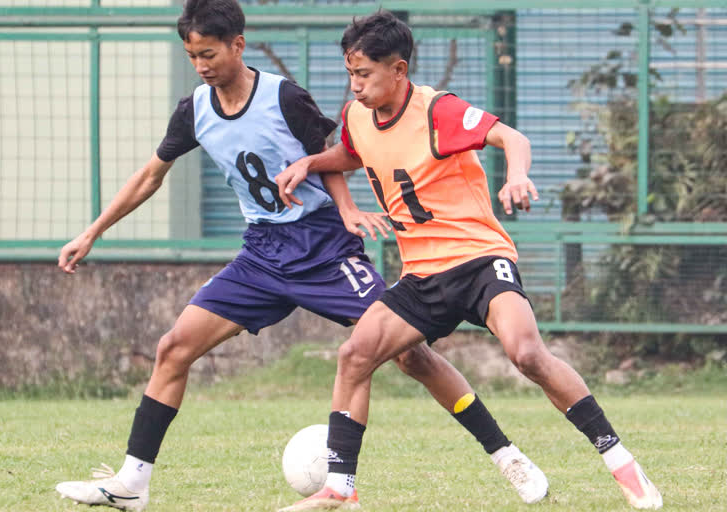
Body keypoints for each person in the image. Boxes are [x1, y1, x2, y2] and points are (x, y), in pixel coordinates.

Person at [54, 1, 548, 510]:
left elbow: (330, 153)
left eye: (209, 53)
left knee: (409, 353)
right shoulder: (194, 110)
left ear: (237, 45)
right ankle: (132, 483)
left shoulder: (283, 96)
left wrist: (348, 209)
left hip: (324, 247)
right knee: (173, 347)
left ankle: (505, 453)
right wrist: (93, 232)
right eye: (192, 55)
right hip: (261, 254)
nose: (201, 65)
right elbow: (149, 176)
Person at [275, 10, 663, 512]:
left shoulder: (440, 110)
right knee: (356, 355)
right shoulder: (355, 116)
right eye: (350, 74)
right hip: (421, 274)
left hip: (479, 258)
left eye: (364, 74)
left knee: (526, 353)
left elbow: (512, 139)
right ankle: (340, 489)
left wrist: (516, 175)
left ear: (399, 70)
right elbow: (354, 154)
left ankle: (621, 462)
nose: (355, 86)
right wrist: (310, 161)